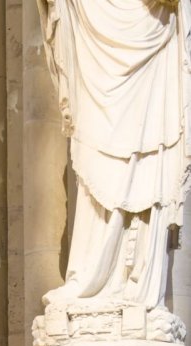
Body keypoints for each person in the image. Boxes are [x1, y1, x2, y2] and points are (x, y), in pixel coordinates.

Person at [39, 0, 191, 309]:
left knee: (149, 151)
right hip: (95, 28)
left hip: (151, 27)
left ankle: (138, 282)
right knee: (93, 153)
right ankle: (87, 276)